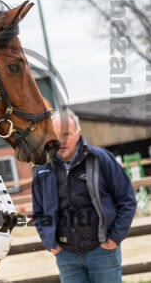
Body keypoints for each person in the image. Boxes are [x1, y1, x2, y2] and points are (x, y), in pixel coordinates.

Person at [32, 108, 137, 283]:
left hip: (102, 251)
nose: (62, 141)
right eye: (56, 135)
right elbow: (39, 211)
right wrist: (50, 243)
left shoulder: (101, 159)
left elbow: (127, 199)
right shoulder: (42, 169)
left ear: (79, 134)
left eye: (67, 134)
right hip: (66, 256)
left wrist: (114, 238)